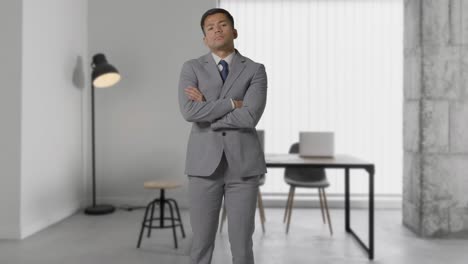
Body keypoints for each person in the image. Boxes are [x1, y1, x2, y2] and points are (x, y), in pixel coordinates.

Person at [177, 8, 268, 264]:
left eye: (222, 24)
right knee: (201, 243)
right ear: (205, 38)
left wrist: (208, 109)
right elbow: (189, 111)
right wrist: (231, 103)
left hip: (244, 167)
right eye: (210, 27)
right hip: (203, 165)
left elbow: (250, 117)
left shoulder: (255, 70)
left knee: (241, 244)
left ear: (234, 31)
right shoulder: (191, 68)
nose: (216, 29)